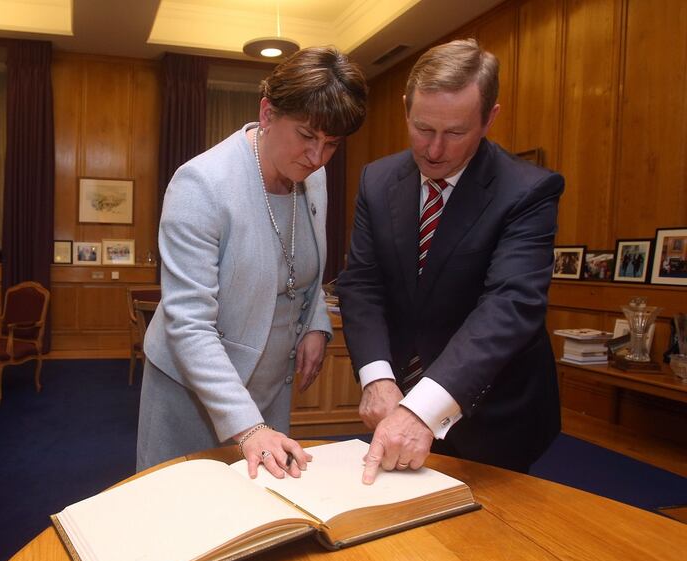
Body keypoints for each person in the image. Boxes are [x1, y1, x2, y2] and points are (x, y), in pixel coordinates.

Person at [337, 38, 565, 484]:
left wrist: (423, 407)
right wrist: (377, 377)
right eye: (423, 128)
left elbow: (510, 305)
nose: (434, 150)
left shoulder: (528, 191)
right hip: (397, 401)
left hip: (494, 412)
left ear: (489, 119)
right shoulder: (377, 180)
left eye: (455, 133)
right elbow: (362, 283)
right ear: (406, 109)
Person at [137, 46, 368, 479]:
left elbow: (300, 262)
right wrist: (248, 426)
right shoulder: (201, 185)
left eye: (331, 144)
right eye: (306, 136)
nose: (318, 157)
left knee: (261, 516)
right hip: (195, 389)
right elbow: (188, 322)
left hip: (270, 385)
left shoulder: (312, 176)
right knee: (185, 514)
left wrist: (315, 321)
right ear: (267, 113)